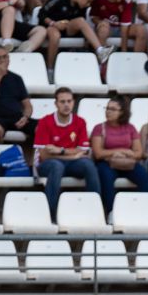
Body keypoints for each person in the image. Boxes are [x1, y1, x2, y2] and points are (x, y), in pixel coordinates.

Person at [34, 87, 100, 222]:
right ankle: (49, 215)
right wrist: (72, 154)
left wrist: (61, 150)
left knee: (88, 164)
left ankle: (95, 211)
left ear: (73, 102)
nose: (66, 105)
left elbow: (83, 151)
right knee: (56, 166)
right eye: (62, 101)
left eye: (69, 101)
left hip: (69, 162)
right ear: (56, 104)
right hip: (46, 164)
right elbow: (45, 155)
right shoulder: (45, 122)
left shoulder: (80, 122)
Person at [91, 96, 148, 213]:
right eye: (107, 108)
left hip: (126, 162)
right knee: (106, 178)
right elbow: (98, 153)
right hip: (106, 163)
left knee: (144, 177)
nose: (108, 111)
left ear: (122, 112)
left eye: (113, 109)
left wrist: (125, 155)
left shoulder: (130, 128)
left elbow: (138, 152)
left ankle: (143, 210)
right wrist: (120, 151)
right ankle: (111, 212)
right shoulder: (99, 128)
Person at [38, 0, 105, 69]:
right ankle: (50, 68)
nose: (88, 5)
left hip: (67, 28)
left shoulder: (82, 7)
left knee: (81, 21)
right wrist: (54, 23)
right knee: (55, 35)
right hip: (50, 26)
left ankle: (100, 50)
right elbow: (41, 14)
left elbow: (80, 21)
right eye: (88, 1)